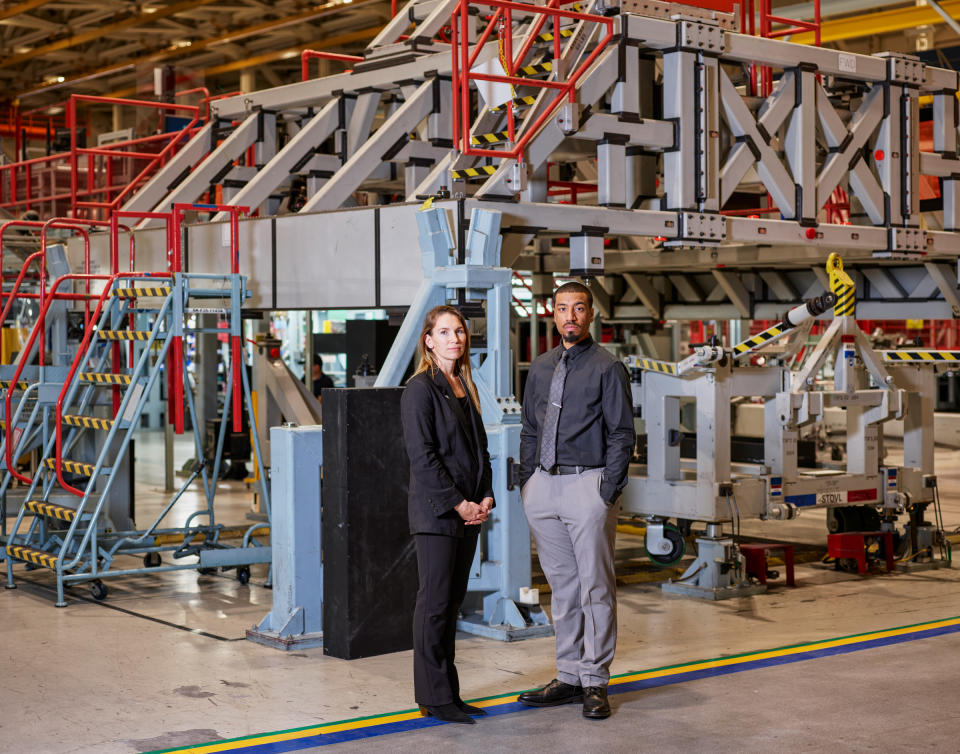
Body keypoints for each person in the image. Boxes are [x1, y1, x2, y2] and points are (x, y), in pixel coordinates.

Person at [517, 281, 635, 720]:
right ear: (553, 314)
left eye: (578, 308)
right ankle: (568, 675)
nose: (570, 316)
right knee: (563, 588)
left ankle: (595, 681)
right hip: (544, 487)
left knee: (595, 588)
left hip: (588, 486)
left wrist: (607, 490)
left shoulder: (608, 368)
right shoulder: (541, 367)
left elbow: (623, 433)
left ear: (590, 315)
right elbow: (530, 427)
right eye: (563, 308)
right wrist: (528, 482)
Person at [400, 305, 495, 725]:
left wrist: (485, 496)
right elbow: (423, 458)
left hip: (468, 512)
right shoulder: (420, 389)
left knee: (451, 602)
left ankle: (448, 693)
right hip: (439, 513)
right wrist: (459, 503)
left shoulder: (463, 384)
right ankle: (432, 695)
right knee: (434, 603)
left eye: (459, 331)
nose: (454, 338)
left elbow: (480, 450)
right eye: (444, 331)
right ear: (428, 340)